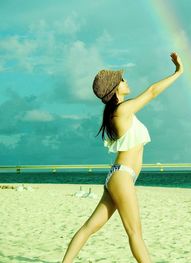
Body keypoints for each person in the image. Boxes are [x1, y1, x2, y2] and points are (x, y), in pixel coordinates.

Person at [61, 52, 184, 263]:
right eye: (122, 80)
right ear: (116, 88)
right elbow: (153, 92)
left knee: (90, 227)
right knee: (135, 234)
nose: (126, 81)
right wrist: (178, 72)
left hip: (118, 176)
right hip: (122, 177)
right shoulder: (122, 110)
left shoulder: (119, 112)